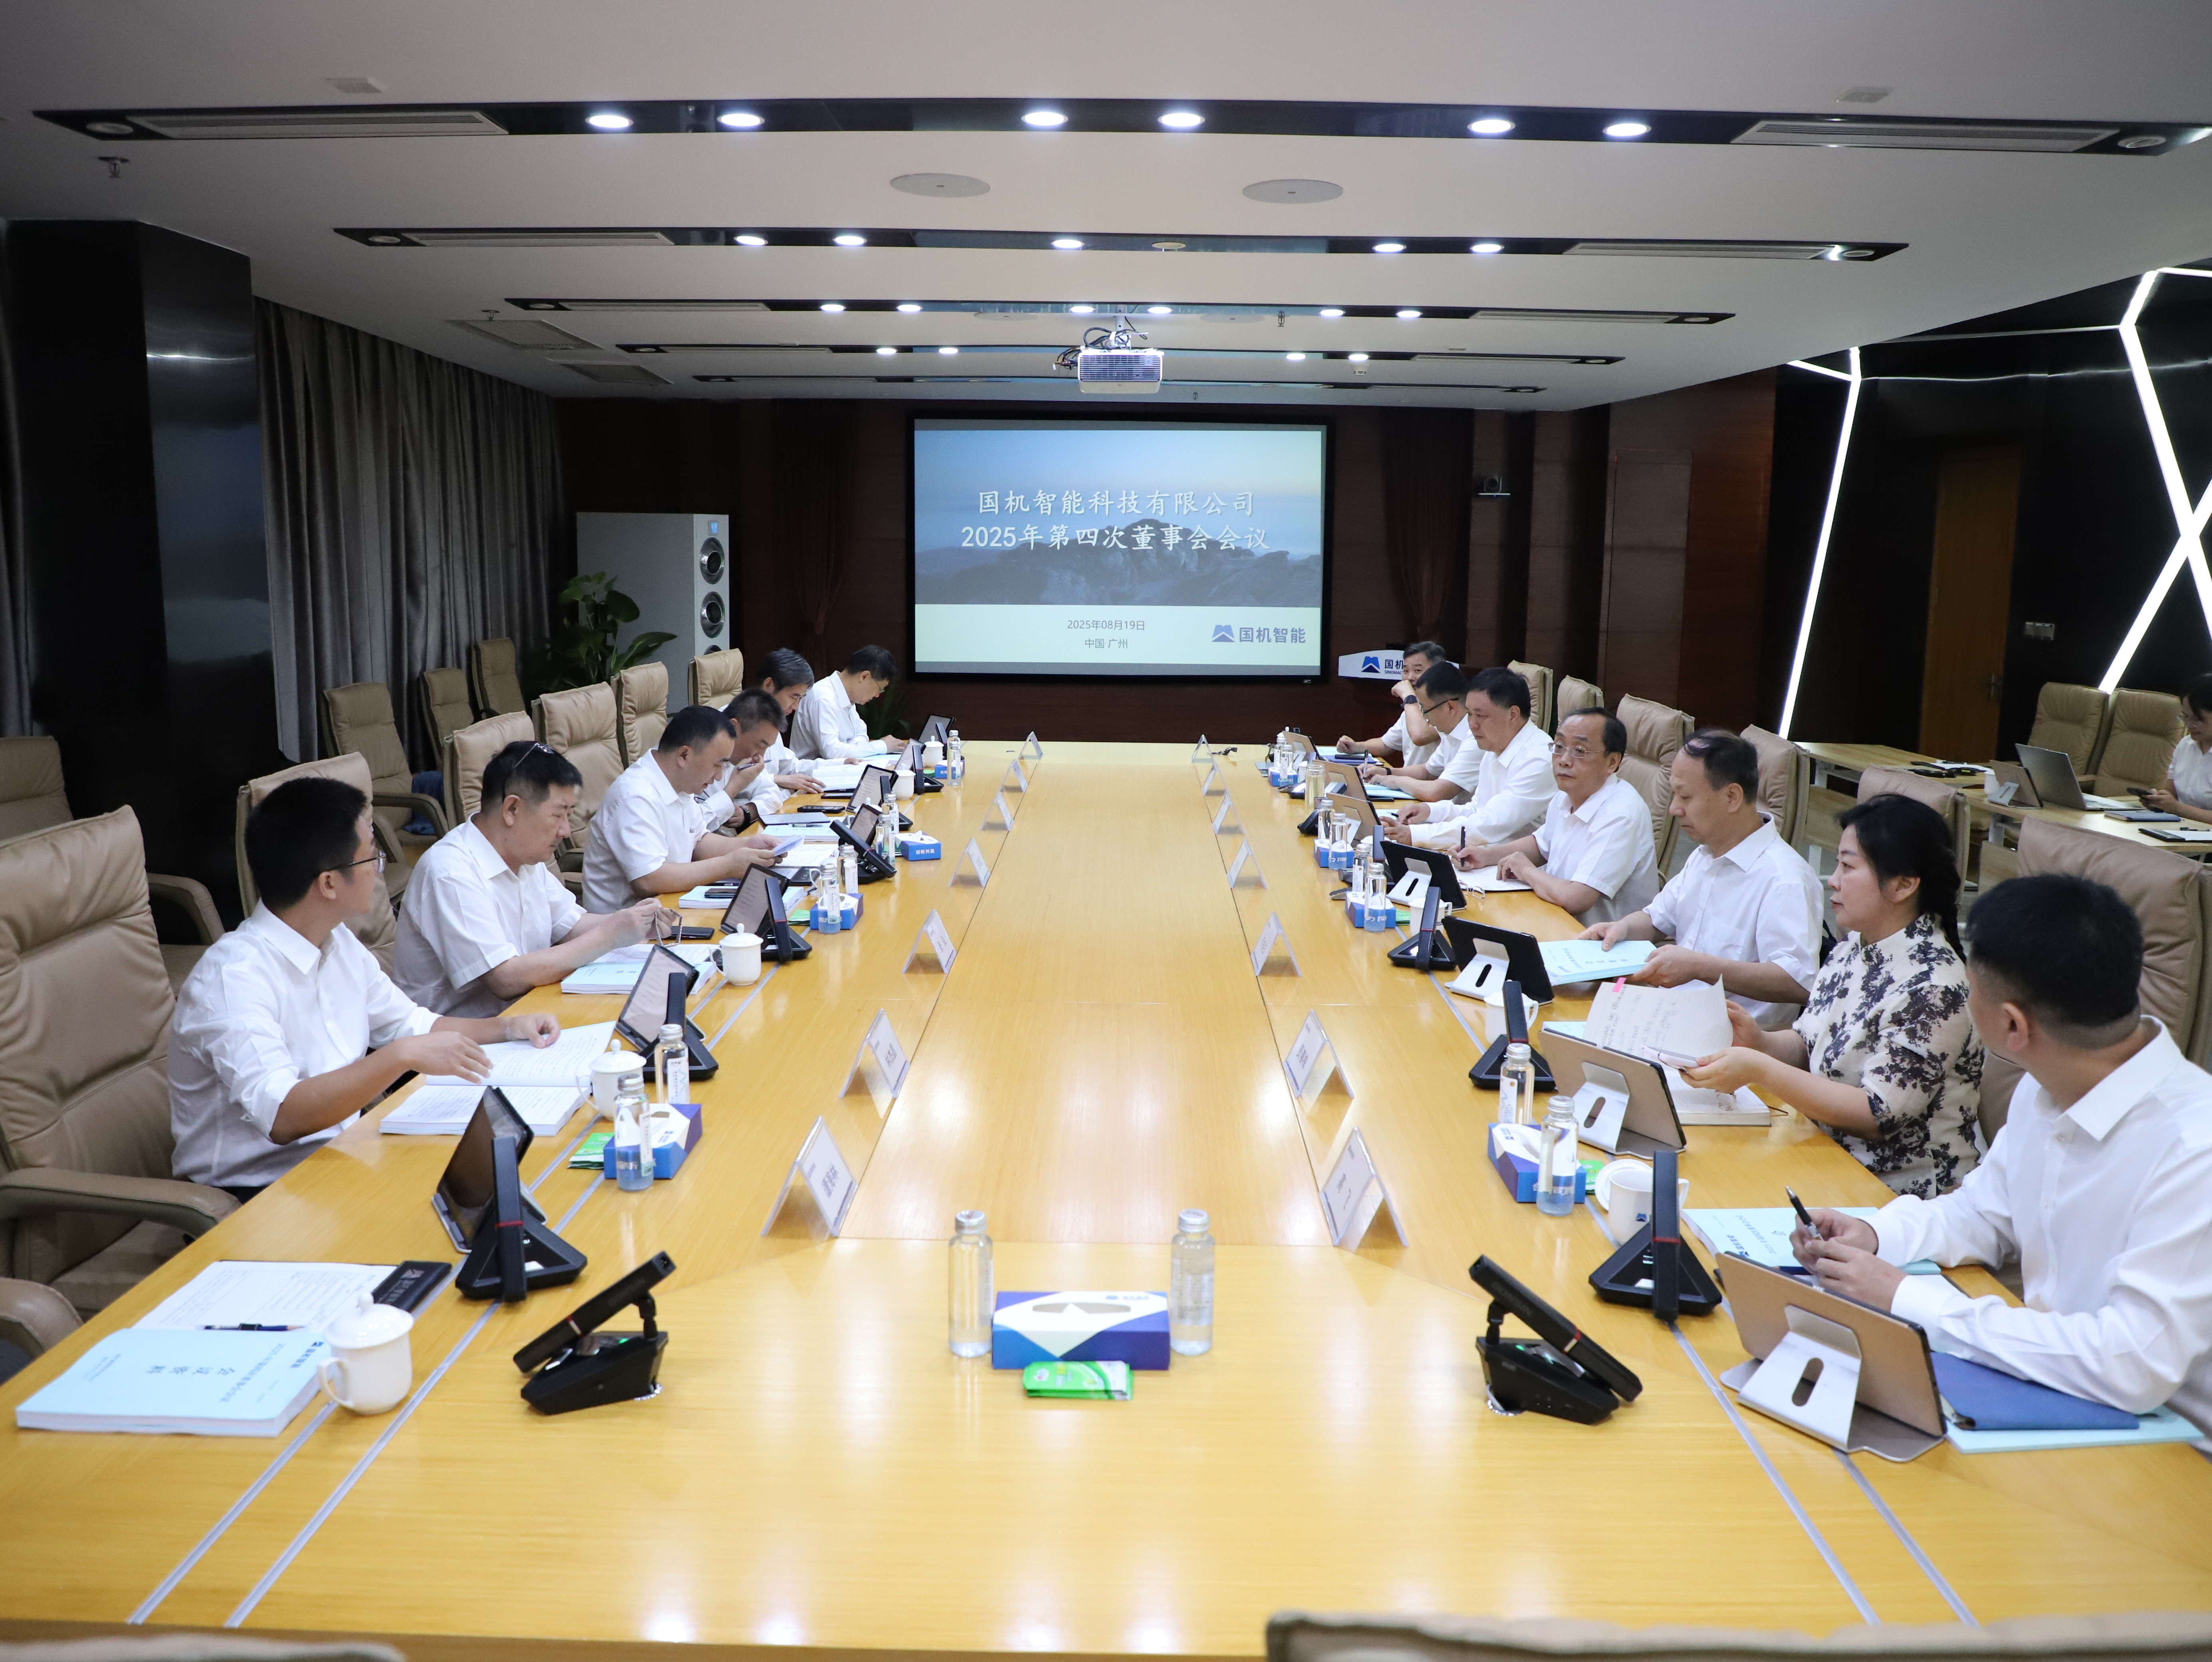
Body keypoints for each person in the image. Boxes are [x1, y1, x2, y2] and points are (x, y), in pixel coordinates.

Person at [1790, 873, 2212, 1447]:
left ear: (2013, 1025)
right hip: (2054, 1398)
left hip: (2171, 1454)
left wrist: (1909, 1298)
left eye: (1971, 989)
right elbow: (1983, 1213)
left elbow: (2130, 1363)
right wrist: (1875, 1235)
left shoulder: (2194, 1149)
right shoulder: (2047, 1087)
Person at [170, 777, 560, 1202]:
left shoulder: (337, 942)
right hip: (256, 1195)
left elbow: (413, 1024)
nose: (379, 869)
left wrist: (509, 1029)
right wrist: (400, 1056)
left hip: (341, 1157)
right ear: (329, 883)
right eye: (371, 857)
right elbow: (282, 1115)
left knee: (511, 1180)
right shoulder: (233, 979)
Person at [1683, 793, 1981, 1197]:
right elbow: (1810, 1042)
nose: (1833, 880)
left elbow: (1877, 1114)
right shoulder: (1854, 947)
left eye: (1848, 866)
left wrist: (1760, 1068)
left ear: (1903, 884)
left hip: (1898, 1197)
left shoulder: (1935, 987)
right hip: (1823, 1154)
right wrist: (1759, 1041)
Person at [396, 741, 676, 1018]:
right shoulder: (450, 872)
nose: (566, 831)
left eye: (569, 815)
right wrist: (609, 935)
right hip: (469, 1037)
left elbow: (572, 926)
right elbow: (505, 979)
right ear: (512, 810)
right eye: (558, 815)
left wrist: (634, 923)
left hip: (531, 1013)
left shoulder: (524, 855)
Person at [1581, 728, 1824, 1026]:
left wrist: (1701, 967)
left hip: (1731, 1039)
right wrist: (1621, 929)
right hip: (1669, 1015)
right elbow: (1657, 919)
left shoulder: (1785, 879)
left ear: (1732, 797)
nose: (1674, 809)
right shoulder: (1704, 855)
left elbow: (1799, 982)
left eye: (1685, 797)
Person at [1450, 706, 1659, 926]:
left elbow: (1577, 899)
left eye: (1580, 751)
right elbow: (1541, 846)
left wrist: (1526, 871)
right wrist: (1485, 855)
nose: (1564, 760)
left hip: (1598, 940)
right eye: (1559, 747)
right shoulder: (1567, 795)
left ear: (1612, 762)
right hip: (1553, 918)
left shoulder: (1621, 816)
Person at [582, 701, 780, 913]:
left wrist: (749, 845)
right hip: (628, 925)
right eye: (718, 765)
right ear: (684, 755)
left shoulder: (680, 784)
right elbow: (648, 880)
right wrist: (728, 866)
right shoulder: (636, 796)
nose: (719, 776)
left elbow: (698, 842)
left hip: (672, 908)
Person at [1393, 665, 1553, 849]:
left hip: (1513, 863)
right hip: (1483, 856)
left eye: (1480, 715)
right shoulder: (1495, 747)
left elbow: (1488, 825)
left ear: (1513, 715)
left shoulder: (1539, 760)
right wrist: (1429, 811)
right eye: (1470, 714)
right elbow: (1476, 810)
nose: (1472, 724)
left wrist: (1414, 835)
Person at [724, 648, 826, 815]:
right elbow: (732, 779)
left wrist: (843, 766)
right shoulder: (735, 725)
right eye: (794, 697)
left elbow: (791, 766)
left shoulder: (771, 722)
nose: (796, 707)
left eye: (800, 699)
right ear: (769, 686)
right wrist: (776, 780)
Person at [1335, 641, 1447, 767]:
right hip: (1409, 778)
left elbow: (1420, 736)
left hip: (1432, 779)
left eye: (1418, 670)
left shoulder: (1446, 707)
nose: (1410, 677)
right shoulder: (1413, 707)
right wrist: (1356, 747)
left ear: (1438, 672)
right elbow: (1386, 744)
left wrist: (1409, 697)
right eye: (1405, 671)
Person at [790, 644, 896, 762]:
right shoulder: (824, 697)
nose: (878, 695)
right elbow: (832, 752)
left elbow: (861, 734)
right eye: (880, 689)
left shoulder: (848, 696)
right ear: (864, 677)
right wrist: (881, 746)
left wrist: (849, 749)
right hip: (813, 772)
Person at [2140, 673, 2212, 823]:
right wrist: (2159, 800)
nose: (2189, 725)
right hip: (2180, 827)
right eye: (2185, 717)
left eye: (2198, 719)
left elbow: (2177, 806)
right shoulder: (2186, 745)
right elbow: (2171, 792)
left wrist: (2177, 808)